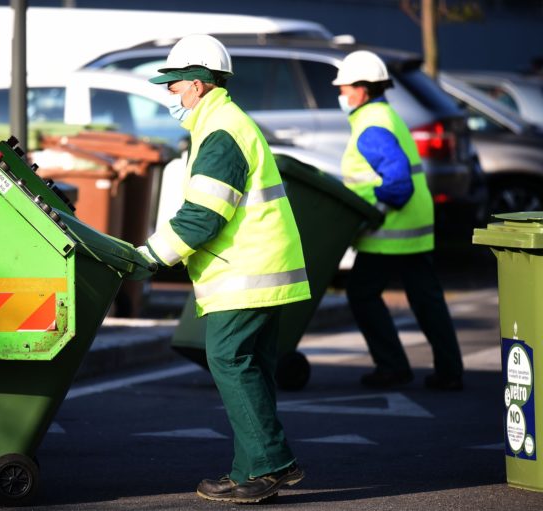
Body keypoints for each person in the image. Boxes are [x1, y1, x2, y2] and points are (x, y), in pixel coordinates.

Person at [136, 34, 311, 504]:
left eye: (172, 85)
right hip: (261, 269)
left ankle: (274, 463)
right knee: (251, 366)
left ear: (196, 84)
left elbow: (203, 217)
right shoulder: (223, 123)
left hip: (246, 273)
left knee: (230, 360)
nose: (168, 94)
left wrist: (149, 256)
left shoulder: (219, 133)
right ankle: (248, 471)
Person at [333, 50, 464, 391]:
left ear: (362, 89)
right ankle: (449, 371)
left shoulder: (371, 125)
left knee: (362, 293)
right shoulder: (383, 116)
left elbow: (398, 183)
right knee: (426, 298)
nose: (341, 95)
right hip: (410, 226)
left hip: (388, 229)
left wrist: (374, 213)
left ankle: (392, 366)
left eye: (344, 88)